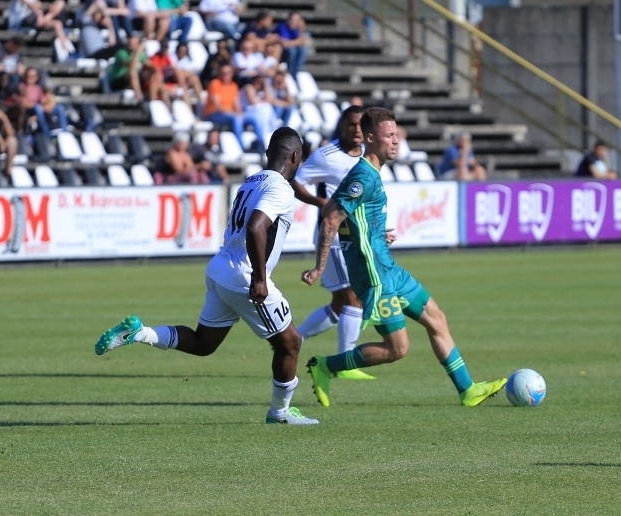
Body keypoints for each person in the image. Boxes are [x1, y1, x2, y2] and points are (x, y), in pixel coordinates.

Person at [95, 126, 318, 426]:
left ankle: (139, 333)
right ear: (295, 157)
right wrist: (260, 278)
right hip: (244, 275)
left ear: (268, 154)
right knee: (290, 342)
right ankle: (279, 413)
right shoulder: (281, 188)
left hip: (220, 268)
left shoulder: (251, 181)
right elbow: (256, 227)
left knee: (203, 344)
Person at [301, 107, 507, 408]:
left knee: (437, 319)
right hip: (374, 277)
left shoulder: (370, 173)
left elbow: (341, 211)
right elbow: (331, 217)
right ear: (370, 139)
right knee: (396, 349)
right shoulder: (363, 176)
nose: (396, 140)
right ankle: (325, 366)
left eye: (396, 134)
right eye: (389, 136)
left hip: (389, 269)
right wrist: (320, 266)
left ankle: (468, 390)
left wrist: (373, 233)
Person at [293, 105, 374, 381]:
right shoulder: (326, 156)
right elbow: (297, 181)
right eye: (351, 124)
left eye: (362, 125)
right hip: (335, 236)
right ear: (342, 126)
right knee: (354, 298)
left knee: (341, 304)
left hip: (357, 235)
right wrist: (320, 202)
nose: (357, 130)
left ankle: (292, 339)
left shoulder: (368, 155)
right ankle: (345, 364)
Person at [18, 67, 69, 136]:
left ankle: (64, 131)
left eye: (33, 76)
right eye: (28, 75)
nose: (30, 78)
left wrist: (48, 104)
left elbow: (43, 100)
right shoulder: (22, 87)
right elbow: (23, 102)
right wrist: (40, 107)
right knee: (38, 108)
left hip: (42, 108)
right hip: (31, 110)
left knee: (60, 108)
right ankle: (46, 132)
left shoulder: (38, 88)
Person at [275, 11, 310, 76]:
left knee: (303, 50)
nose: (294, 22)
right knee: (292, 50)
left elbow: (303, 41)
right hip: (280, 51)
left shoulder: (296, 29)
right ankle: (290, 72)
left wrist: (301, 29)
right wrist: (297, 42)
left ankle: (296, 72)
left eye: (297, 20)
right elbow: (285, 44)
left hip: (290, 48)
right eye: (293, 19)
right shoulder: (282, 27)